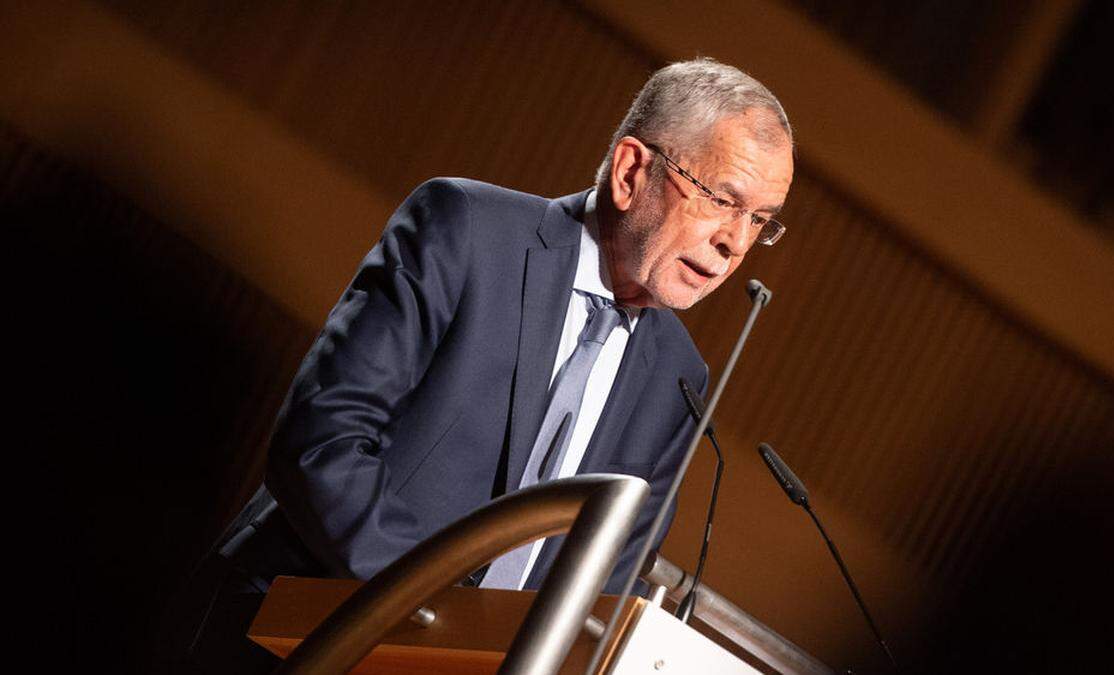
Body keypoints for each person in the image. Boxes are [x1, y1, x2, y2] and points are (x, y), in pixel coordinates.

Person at [162, 57, 794, 672]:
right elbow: (321, 442)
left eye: (760, 222)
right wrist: (438, 626)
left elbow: (604, 592)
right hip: (293, 639)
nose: (735, 242)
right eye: (722, 199)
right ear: (632, 172)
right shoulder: (466, 230)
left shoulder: (677, 378)